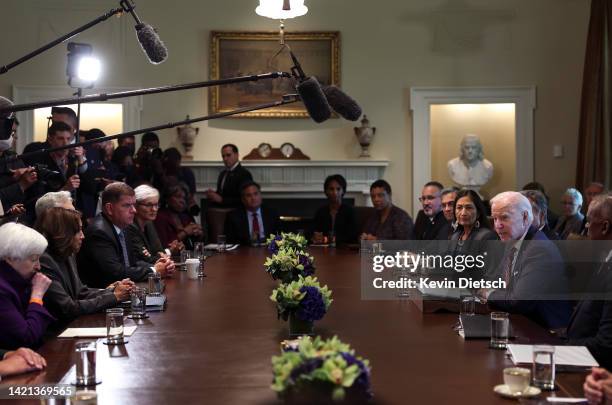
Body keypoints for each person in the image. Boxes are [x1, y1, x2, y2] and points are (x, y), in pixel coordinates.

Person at [480, 191, 571, 329]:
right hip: (520, 322)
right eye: (494, 219)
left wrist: (487, 293)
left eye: (504, 218)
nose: (497, 226)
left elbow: (518, 301)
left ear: (525, 217)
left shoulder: (539, 249)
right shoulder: (514, 240)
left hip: (544, 332)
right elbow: (497, 281)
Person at [36, 207, 133, 323]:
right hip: (56, 332)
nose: (83, 236)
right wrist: (114, 297)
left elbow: (81, 293)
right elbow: (67, 308)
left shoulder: (68, 254)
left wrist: (112, 291)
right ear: (64, 233)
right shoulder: (44, 261)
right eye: (78, 231)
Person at [78, 182, 175, 288]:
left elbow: (132, 263)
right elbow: (116, 273)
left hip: (125, 291)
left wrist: (160, 266)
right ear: (109, 208)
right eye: (127, 205)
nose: (134, 210)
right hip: (104, 296)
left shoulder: (123, 226)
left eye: (133, 205)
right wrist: (155, 270)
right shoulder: (99, 232)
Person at [566, 194, 612, 369]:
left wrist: (558, 350)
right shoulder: (604, 258)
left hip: (597, 371)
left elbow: (606, 344)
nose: (585, 227)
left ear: (605, 227)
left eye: (589, 221)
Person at [0, 223, 54, 349]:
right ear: (10, 258)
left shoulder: (21, 281)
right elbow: (27, 338)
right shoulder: (2, 290)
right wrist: (37, 296)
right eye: (33, 259)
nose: (39, 266)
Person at [127, 185, 183, 264]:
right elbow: (146, 259)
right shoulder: (130, 226)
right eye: (149, 205)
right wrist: (163, 255)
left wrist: (165, 253)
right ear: (135, 205)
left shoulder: (149, 223)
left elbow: (159, 251)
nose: (154, 209)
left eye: (156, 205)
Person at [224, 181, 280, 245]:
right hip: (244, 251)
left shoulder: (272, 214)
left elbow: (279, 237)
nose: (253, 198)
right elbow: (230, 242)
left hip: (268, 249)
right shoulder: (233, 217)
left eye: (256, 194)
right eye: (248, 195)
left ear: (260, 196)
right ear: (243, 199)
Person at [310, 174, 358, 245]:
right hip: (323, 250)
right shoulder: (321, 211)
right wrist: (315, 237)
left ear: (343, 191)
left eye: (338, 189)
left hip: (344, 251)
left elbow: (352, 236)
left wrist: (327, 239)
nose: (335, 192)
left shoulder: (350, 211)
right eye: (331, 189)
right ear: (326, 191)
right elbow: (313, 231)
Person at [154, 184, 203, 248]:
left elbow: (194, 244)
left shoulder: (185, 216)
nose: (182, 201)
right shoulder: (160, 217)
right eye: (178, 197)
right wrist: (184, 232)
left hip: (187, 255)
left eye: (184, 198)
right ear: (167, 198)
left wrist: (198, 234)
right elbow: (164, 245)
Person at [205, 144, 253, 208]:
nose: (225, 159)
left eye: (228, 155)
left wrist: (221, 200)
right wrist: (213, 194)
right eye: (223, 156)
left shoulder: (244, 174)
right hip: (221, 212)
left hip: (237, 214)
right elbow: (223, 194)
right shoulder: (223, 173)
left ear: (237, 155)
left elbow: (245, 199)